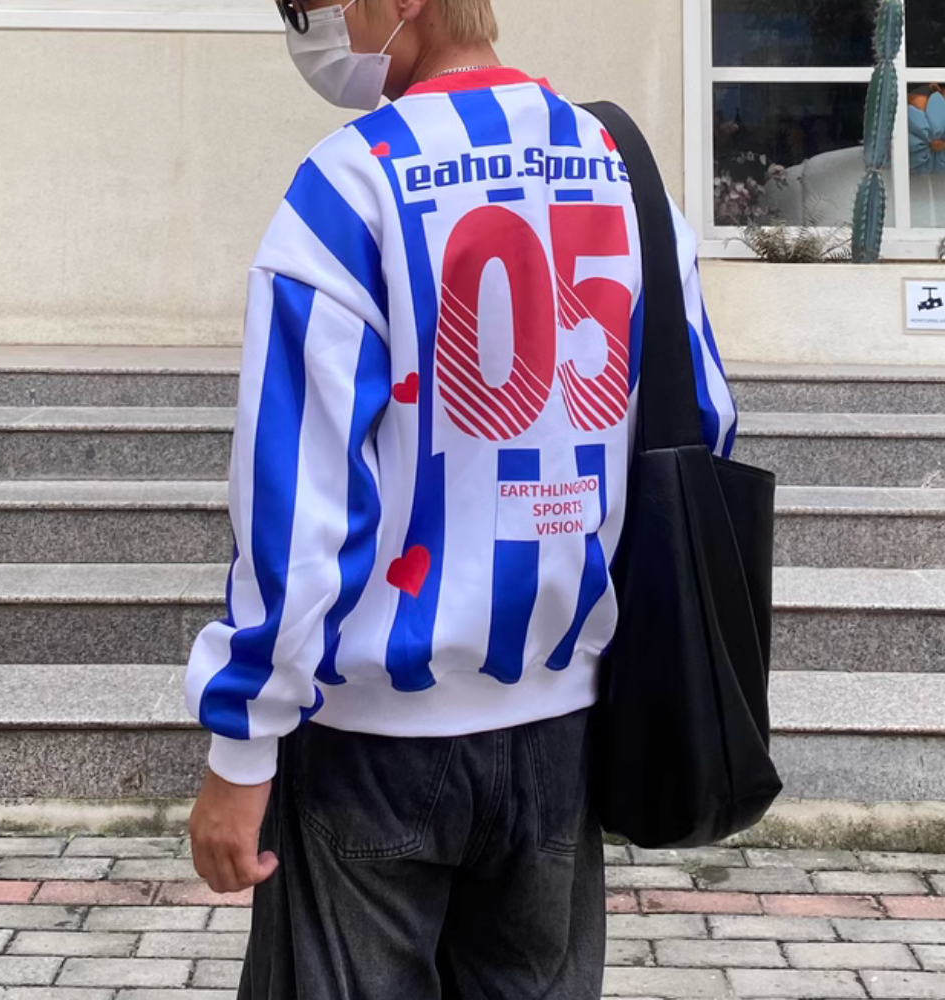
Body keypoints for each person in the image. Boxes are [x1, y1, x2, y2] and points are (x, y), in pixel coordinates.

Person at [184, 0, 736, 997]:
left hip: (370, 742)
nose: (308, 29)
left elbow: (300, 505)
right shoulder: (623, 174)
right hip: (560, 735)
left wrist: (240, 746)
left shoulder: (347, 185)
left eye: (313, 4)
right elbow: (706, 422)